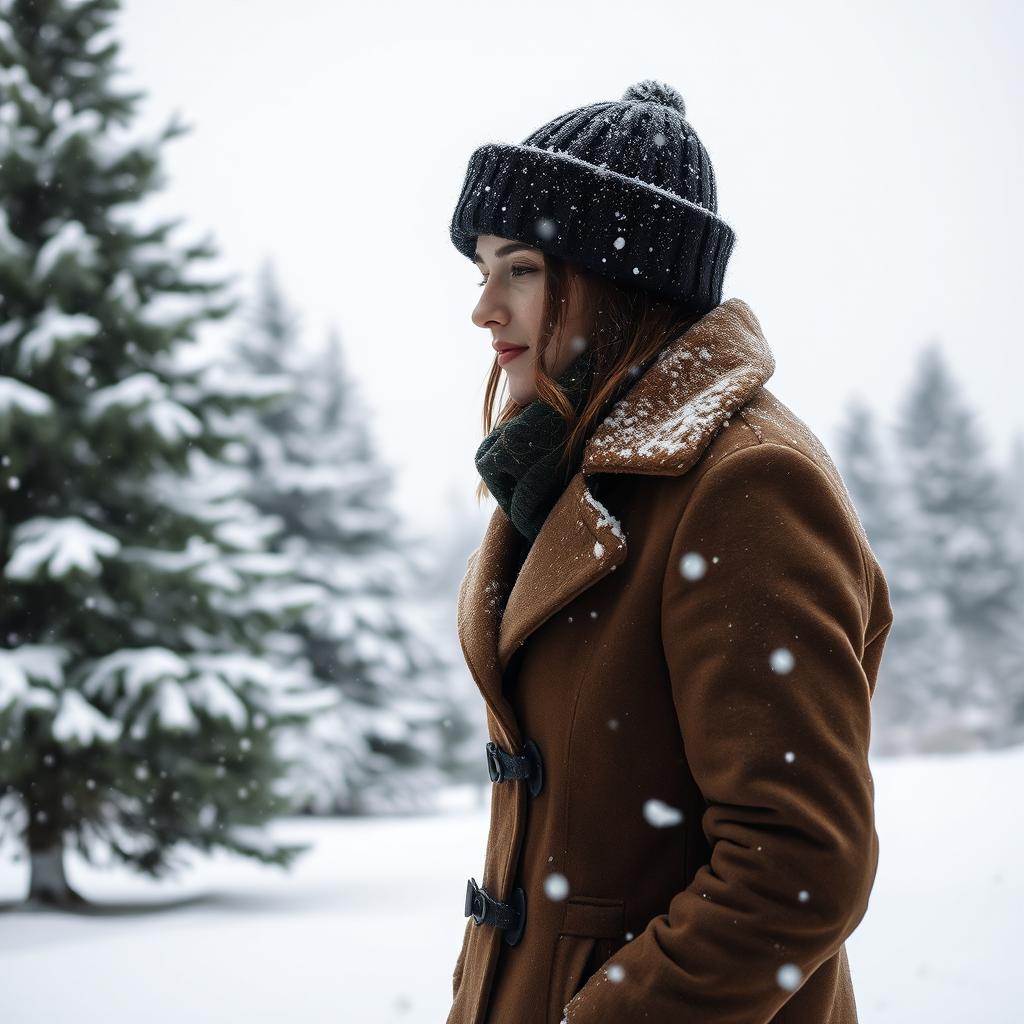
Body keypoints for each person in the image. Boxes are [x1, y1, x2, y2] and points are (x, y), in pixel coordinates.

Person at [446, 79, 894, 1024]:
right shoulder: (570, 474)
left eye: (519, 268)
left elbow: (802, 862)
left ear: (622, 281)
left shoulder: (743, 486)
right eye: (481, 269)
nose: (483, 308)